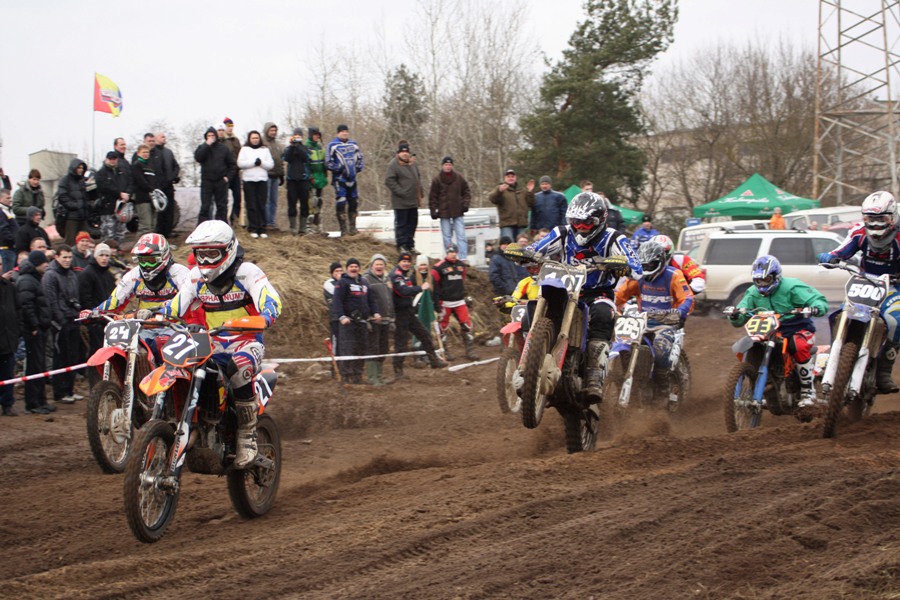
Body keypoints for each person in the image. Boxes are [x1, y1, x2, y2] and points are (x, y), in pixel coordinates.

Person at [161, 220, 282, 468]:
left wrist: (266, 315)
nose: (205, 261)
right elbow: (175, 306)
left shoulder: (247, 272)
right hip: (212, 342)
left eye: (212, 254)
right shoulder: (195, 277)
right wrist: (155, 314)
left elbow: (270, 298)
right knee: (179, 363)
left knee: (239, 366)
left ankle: (247, 437)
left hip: (246, 342)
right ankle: (181, 421)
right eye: (200, 254)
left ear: (228, 250)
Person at [525, 191, 643, 402]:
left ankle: (594, 375)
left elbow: (637, 268)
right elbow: (535, 249)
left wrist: (623, 266)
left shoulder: (613, 238)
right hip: (565, 289)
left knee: (603, 314)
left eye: (586, 223)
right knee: (535, 306)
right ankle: (529, 364)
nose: (580, 227)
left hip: (598, 293)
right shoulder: (562, 232)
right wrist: (525, 254)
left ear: (599, 220)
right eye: (575, 221)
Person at [817, 190, 900, 393]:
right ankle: (833, 358)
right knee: (840, 314)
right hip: (863, 282)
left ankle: (883, 372)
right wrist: (830, 257)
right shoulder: (859, 233)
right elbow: (841, 251)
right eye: (870, 219)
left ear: (892, 217)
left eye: (881, 219)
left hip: (893, 286)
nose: (876, 224)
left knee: (894, 321)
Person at [725, 255, 828, 407]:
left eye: (766, 279)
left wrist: (815, 307)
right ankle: (762, 387)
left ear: (776, 276)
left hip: (796, 327)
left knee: (798, 345)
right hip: (768, 330)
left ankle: (808, 391)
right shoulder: (752, 292)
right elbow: (741, 315)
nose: (762, 284)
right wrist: (735, 315)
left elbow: (818, 300)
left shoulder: (792, 287)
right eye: (758, 280)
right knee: (753, 345)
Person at [615, 241, 694, 406]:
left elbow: (687, 297)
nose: (646, 268)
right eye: (643, 265)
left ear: (660, 261)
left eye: (650, 264)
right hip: (642, 321)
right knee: (621, 346)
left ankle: (662, 389)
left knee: (660, 350)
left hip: (665, 322)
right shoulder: (638, 278)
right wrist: (612, 307)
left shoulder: (674, 275)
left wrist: (680, 312)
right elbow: (620, 295)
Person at [88, 233, 191, 316]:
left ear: (163, 256)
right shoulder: (134, 274)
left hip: (174, 326)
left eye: (151, 260)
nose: (146, 265)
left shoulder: (179, 272)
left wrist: (166, 308)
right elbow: (115, 301)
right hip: (143, 325)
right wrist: (94, 312)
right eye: (142, 260)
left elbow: (188, 298)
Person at [390, 251, 447, 378]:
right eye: (404, 261)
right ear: (399, 262)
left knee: (424, 334)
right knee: (401, 343)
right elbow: (403, 291)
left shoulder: (405, 275)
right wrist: (420, 288)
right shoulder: (396, 275)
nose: (406, 264)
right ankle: (398, 370)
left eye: (408, 262)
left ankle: (433, 360)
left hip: (409, 311)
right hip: (400, 313)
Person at [331, 257, 381, 384]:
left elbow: (371, 300)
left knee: (361, 348)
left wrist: (375, 312)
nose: (354, 269)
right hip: (348, 322)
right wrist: (342, 316)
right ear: (347, 269)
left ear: (359, 268)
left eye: (356, 266)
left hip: (362, 322)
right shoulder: (342, 282)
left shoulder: (364, 283)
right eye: (351, 267)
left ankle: (357, 375)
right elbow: (337, 301)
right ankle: (346, 376)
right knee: (348, 349)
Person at [17, 250, 55, 414]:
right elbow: (26, 306)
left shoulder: (34, 278)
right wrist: (34, 326)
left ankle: (41, 400)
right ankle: (33, 403)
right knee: (34, 367)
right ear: (37, 263)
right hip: (33, 331)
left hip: (40, 329)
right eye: (44, 262)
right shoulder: (27, 280)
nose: (47, 264)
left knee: (40, 366)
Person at [42, 245, 81, 404]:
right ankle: (59, 392)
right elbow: (50, 300)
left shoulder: (71, 274)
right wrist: (61, 320)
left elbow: (75, 296)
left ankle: (70, 390)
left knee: (73, 357)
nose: (67, 260)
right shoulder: (50, 275)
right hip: (60, 323)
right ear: (56, 257)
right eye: (64, 257)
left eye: (69, 257)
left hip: (73, 319)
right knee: (61, 357)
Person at [432, 244, 477, 360]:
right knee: (443, 327)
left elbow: (462, 280)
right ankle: (444, 351)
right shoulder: (438, 267)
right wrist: (436, 303)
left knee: (467, 325)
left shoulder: (461, 265)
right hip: (445, 302)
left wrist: (464, 295)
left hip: (459, 301)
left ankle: (470, 351)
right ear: (447, 253)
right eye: (450, 252)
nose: (453, 254)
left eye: (454, 252)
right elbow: (434, 286)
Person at [429, 156, 471, 261]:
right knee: (446, 236)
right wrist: (433, 210)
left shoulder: (459, 178)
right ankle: (449, 256)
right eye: (446, 164)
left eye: (449, 165)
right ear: (442, 166)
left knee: (461, 235)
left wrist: (465, 204)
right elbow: (433, 197)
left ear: (452, 166)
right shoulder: (437, 179)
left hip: (458, 210)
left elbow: (466, 191)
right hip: (444, 211)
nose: (448, 166)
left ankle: (463, 258)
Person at [326, 124, 364, 237]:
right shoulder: (332, 145)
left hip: (352, 178)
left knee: (353, 202)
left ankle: (353, 228)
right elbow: (327, 162)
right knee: (341, 201)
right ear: (338, 133)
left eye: (346, 131)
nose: (345, 133)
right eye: (342, 131)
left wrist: (358, 168)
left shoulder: (353, 144)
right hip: (339, 179)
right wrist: (338, 168)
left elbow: (360, 157)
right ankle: (343, 229)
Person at [77, 243, 115, 357]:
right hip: (94, 322)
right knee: (96, 353)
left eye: (107, 255)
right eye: (101, 255)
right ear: (95, 256)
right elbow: (85, 298)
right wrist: (94, 317)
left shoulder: (109, 275)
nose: (104, 258)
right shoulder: (86, 274)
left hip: (108, 319)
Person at [384, 141, 422, 251]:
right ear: (398, 153)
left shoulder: (413, 164)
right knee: (402, 224)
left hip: (413, 200)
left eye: (406, 152)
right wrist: (401, 192)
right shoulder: (394, 164)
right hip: (400, 202)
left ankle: (410, 245)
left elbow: (418, 178)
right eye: (402, 152)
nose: (405, 154)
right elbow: (389, 180)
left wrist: (420, 192)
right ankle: (401, 245)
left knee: (412, 224)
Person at [194, 126, 237, 223]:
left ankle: (221, 227)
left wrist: (227, 178)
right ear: (206, 137)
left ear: (216, 136)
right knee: (205, 206)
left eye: (212, 135)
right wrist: (206, 145)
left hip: (220, 181)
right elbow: (198, 157)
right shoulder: (202, 147)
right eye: (208, 136)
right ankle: (203, 227)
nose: (211, 137)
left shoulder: (223, 148)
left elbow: (232, 165)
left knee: (222, 206)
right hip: (207, 181)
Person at [236, 130, 274, 239]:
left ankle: (262, 228)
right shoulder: (244, 149)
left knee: (261, 204)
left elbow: (271, 164)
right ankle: (253, 228)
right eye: (253, 138)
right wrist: (253, 162)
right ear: (249, 139)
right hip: (249, 180)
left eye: (257, 138)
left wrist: (261, 163)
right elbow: (240, 163)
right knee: (251, 205)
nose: (255, 140)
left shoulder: (265, 150)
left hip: (262, 180)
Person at [363, 253, 394, 385]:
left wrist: (392, 318)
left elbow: (389, 299)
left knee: (383, 348)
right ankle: (373, 377)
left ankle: (379, 376)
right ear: (372, 266)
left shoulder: (387, 280)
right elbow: (364, 300)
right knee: (373, 348)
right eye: (377, 264)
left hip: (386, 318)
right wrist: (368, 317)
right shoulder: (366, 279)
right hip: (373, 319)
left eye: (381, 264)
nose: (379, 266)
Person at [94, 151, 130, 248]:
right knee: (108, 233)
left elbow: (129, 182)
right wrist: (119, 193)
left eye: (114, 159)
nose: (113, 161)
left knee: (120, 232)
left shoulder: (121, 172)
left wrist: (127, 193)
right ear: (106, 159)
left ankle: (117, 250)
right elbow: (104, 187)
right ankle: (106, 251)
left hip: (121, 207)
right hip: (107, 207)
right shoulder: (101, 173)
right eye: (111, 159)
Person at [488, 169, 535, 241]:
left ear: (515, 178)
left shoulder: (522, 191)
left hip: (521, 225)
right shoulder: (501, 190)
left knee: (522, 246)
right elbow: (492, 199)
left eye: (512, 176)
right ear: (505, 178)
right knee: (509, 246)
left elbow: (531, 203)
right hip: (507, 225)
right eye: (508, 176)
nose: (511, 178)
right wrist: (499, 191)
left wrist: (530, 192)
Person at [0, 269, 21, 416]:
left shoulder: (9, 286)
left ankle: (7, 404)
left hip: (8, 338)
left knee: (8, 373)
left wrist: (17, 329)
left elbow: (17, 309)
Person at [283, 128, 311, 235]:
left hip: (303, 179)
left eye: (299, 136)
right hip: (292, 180)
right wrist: (292, 146)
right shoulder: (288, 148)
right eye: (295, 135)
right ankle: (293, 227)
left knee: (304, 204)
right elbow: (286, 158)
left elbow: (306, 157)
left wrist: (298, 146)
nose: (297, 137)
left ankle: (303, 228)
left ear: (302, 137)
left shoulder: (305, 148)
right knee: (292, 204)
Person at [153, 132, 181, 239]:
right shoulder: (153, 152)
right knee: (160, 210)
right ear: (156, 138)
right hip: (158, 186)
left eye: (165, 136)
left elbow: (176, 166)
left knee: (170, 208)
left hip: (169, 185)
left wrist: (173, 177)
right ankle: (159, 232)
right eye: (162, 136)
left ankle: (168, 231)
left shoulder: (168, 152)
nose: (164, 138)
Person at [56, 158, 90, 245]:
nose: (81, 170)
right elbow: (62, 197)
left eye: (82, 168)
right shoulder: (65, 180)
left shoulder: (81, 181)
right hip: (71, 216)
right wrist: (75, 206)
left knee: (84, 241)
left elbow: (84, 197)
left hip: (82, 216)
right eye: (79, 168)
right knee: (70, 242)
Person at [131, 143, 158, 234]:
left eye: (147, 152)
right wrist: (151, 189)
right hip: (142, 198)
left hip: (152, 198)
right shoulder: (137, 165)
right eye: (143, 152)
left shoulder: (150, 166)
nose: (146, 154)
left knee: (152, 225)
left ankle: (151, 242)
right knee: (145, 226)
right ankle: (141, 242)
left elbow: (154, 181)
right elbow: (141, 181)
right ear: (138, 153)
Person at [262, 122, 285, 230]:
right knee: (266, 200)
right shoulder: (263, 143)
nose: (273, 132)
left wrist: (282, 174)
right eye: (271, 130)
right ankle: (266, 222)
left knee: (274, 200)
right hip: (266, 175)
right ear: (267, 131)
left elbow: (280, 160)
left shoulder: (278, 145)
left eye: (275, 130)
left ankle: (272, 221)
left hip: (276, 175)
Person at [221, 118, 243, 226]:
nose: (230, 128)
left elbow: (240, 154)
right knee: (224, 199)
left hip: (235, 172)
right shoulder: (221, 140)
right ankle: (223, 220)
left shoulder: (236, 140)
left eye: (231, 125)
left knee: (238, 197)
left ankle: (235, 220)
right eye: (228, 126)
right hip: (225, 173)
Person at [305, 127, 328, 233]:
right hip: (311, 178)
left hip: (320, 177)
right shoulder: (307, 147)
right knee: (311, 202)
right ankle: (308, 226)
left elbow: (324, 162)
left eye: (318, 135)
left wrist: (325, 172)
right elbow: (306, 164)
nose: (317, 137)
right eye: (315, 134)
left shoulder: (320, 148)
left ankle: (318, 225)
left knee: (319, 201)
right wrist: (310, 176)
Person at [0, 189, 19, 274]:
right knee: (7, 275)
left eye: (10, 198)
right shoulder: (1, 212)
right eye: (7, 198)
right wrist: (13, 241)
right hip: (7, 249)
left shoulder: (7, 211)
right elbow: (3, 230)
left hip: (10, 249)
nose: (10, 200)